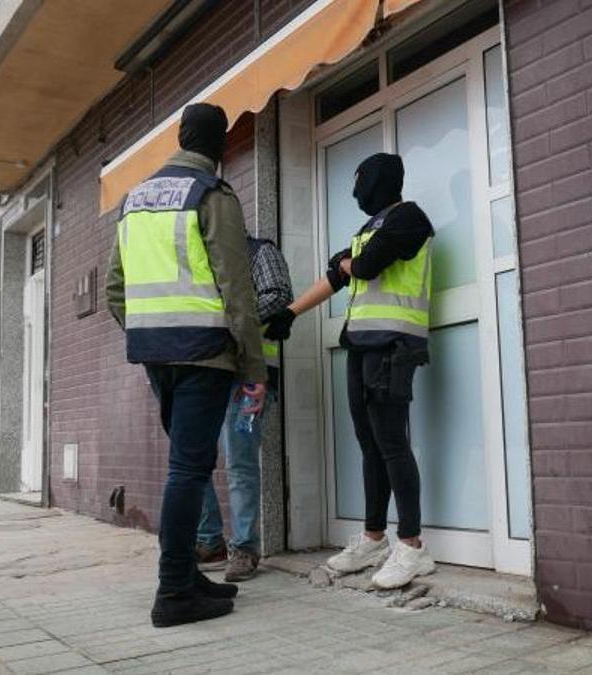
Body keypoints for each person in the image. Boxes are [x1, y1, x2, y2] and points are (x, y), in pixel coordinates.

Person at [106, 103, 267, 627]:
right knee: (188, 469)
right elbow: (236, 286)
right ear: (219, 148)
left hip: (157, 355)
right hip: (205, 352)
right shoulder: (212, 195)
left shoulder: (135, 199)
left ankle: (189, 577)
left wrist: (151, 330)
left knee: (188, 464)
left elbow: (114, 289)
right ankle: (174, 591)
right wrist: (254, 367)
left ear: (180, 138)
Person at [267, 153, 435, 589]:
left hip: (394, 346)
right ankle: (374, 538)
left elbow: (362, 267)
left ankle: (413, 546)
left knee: (393, 444)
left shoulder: (409, 218)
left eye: (360, 181)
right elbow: (336, 277)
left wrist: (347, 263)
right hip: (362, 347)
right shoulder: (368, 229)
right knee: (370, 445)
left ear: (377, 181)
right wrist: (289, 312)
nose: (355, 191)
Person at [195, 238, 290, 581]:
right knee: (193, 461)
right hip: (206, 373)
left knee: (240, 462)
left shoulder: (258, 252)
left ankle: (245, 548)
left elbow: (278, 294)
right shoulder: (199, 259)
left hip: (250, 377)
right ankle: (209, 543)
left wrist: (229, 322)